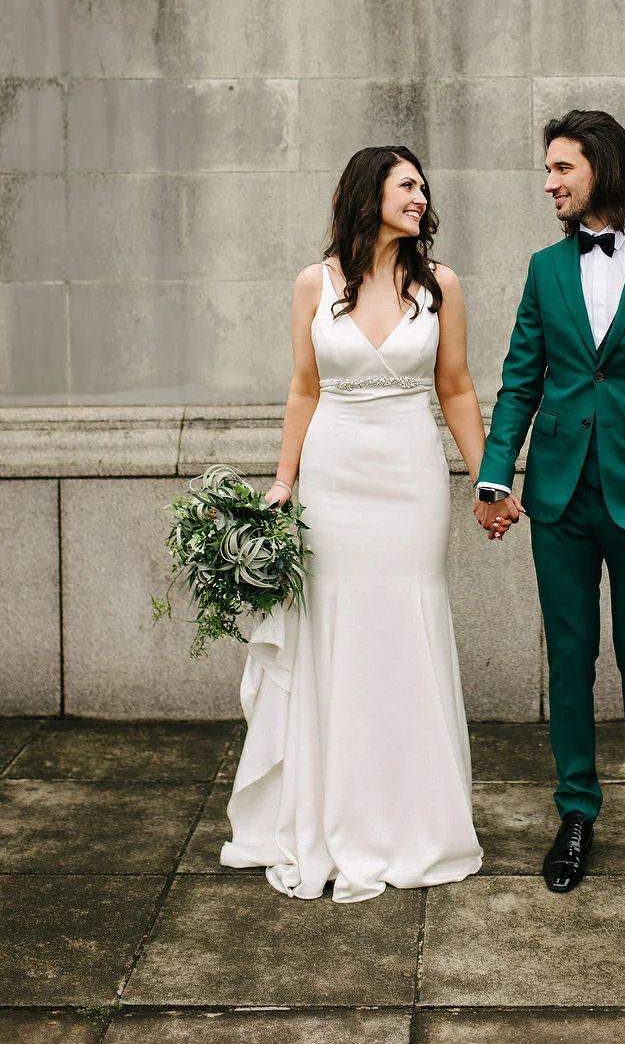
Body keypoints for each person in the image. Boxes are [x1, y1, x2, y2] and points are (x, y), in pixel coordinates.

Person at [473, 109, 625, 897]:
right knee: (571, 661)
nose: (547, 184)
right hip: (558, 496)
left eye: (560, 169)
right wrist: (494, 476)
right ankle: (576, 812)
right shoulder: (544, 268)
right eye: (547, 170)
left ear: (601, 169)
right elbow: (522, 378)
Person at [221, 146, 484, 902]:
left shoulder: (442, 286)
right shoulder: (315, 283)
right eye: (408, 184)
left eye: (424, 186)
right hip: (333, 480)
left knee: (406, 623)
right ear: (369, 194)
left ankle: (413, 818)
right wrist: (281, 481)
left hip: (409, 477)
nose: (422, 195)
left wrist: (485, 479)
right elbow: (304, 388)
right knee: (334, 630)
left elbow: (458, 388)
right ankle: (331, 813)